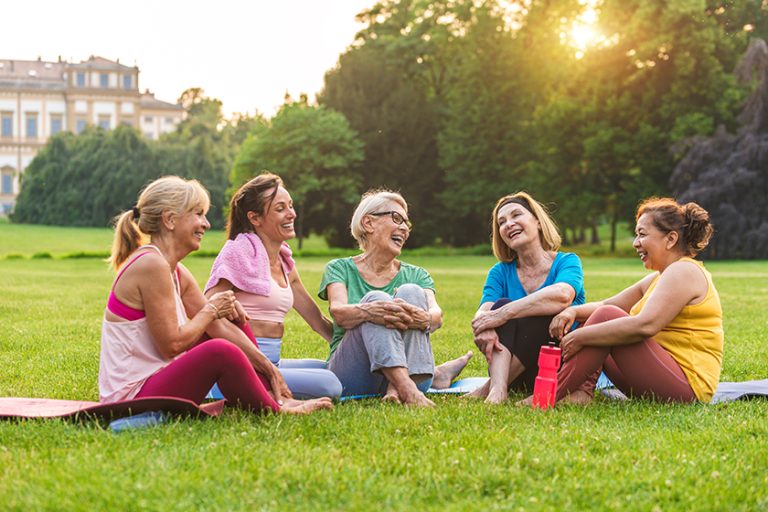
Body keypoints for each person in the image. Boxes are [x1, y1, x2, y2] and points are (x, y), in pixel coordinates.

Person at [99, 176, 333, 415]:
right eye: (198, 214)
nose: (206, 224)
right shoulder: (151, 265)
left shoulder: (176, 271)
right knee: (221, 350)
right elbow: (172, 344)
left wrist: (268, 368)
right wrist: (211, 310)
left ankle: (276, 397)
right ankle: (275, 408)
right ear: (170, 220)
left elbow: (219, 326)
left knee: (233, 320)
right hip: (131, 398)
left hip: (156, 382)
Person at [543, 198, 723, 405]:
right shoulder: (660, 277)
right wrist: (572, 312)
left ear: (671, 239)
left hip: (687, 389)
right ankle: (581, 393)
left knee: (605, 318)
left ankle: (547, 396)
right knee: (595, 318)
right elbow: (606, 304)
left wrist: (581, 337)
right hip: (657, 376)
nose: (635, 243)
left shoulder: (684, 270)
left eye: (642, 234)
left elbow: (645, 325)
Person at [318, 189, 472, 407]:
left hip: (414, 373)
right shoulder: (339, 268)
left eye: (406, 224)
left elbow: (436, 315)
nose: (404, 228)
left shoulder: (417, 275)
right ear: (368, 223)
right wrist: (373, 309)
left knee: (411, 292)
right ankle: (410, 387)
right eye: (396, 218)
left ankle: (397, 387)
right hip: (354, 376)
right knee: (376, 298)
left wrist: (425, 319)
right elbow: (339, 313)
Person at [205, 173, 342, 399]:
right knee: (331, 384)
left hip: (271, 360)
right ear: (255, 218)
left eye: (290, 206)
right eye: (280, 209)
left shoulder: (284, 260)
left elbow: (317, 321)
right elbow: (206, 312)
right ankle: (221, 389)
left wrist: (349, 342)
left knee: (330, 369)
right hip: (240, 364)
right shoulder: (237, 253)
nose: (292, 213)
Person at [466, 192, 585, 404]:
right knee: (500, 304)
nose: (508, 224)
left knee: (545, 310)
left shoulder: (567, 261)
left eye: (516, 215)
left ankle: (489, 388)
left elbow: (562, 296)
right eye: (502, 222)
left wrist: (504, 314)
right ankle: (498, 390)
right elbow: (484, 311)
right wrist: (486, 325)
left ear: (538, 222)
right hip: (513, 370)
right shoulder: (500, 271)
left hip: (555, 365)